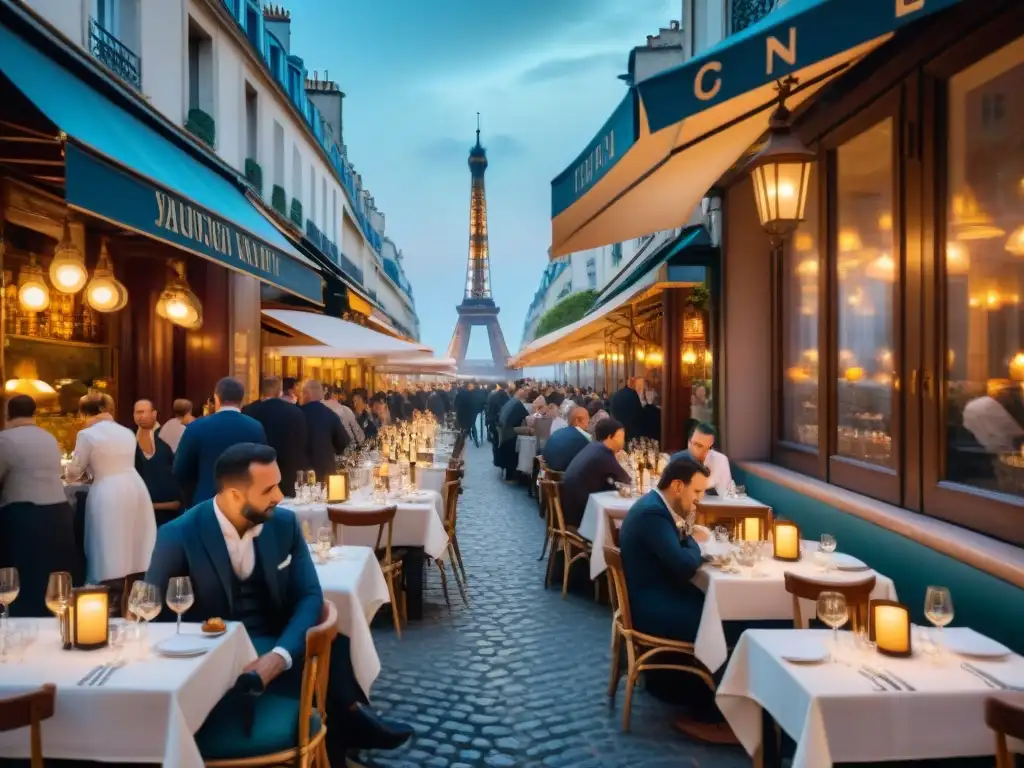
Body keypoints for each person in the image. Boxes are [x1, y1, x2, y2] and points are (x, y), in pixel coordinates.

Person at [145, 443, 414, 763]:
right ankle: (348, 726)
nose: (279, 495)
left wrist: (281, 654)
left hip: (275, 639)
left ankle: (343, 730)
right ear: (234, 496)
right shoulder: (178, 535)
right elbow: (154, 619)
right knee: (335, 654)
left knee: (334, 643)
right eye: (269, 488)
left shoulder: (284, 524)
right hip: (212, 658)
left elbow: (310, 596)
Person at [617, 455, 737, 744]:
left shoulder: (655, 507)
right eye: (696, 492)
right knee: (725, 623)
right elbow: (683, 566)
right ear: (677, 486)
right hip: (651, 608)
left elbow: (679, 554)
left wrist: (688, 543)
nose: (698, 500)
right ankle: (716, 717)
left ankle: (714, 703)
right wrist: (694, 542)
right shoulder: (653, 514)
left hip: (652, 596)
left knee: (719, 612)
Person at [0, 394, 81, 614]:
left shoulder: (6, 440)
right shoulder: (49, 438)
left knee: (26, 579)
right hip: (58, 514)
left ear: (8, 414)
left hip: (25, 516)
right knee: (53, 576)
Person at [69, 397, 156, 583]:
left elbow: (75, 470)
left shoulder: (87, 435)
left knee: (108, 543)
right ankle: (135, 591)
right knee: (135, 544)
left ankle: (107, 591)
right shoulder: (126, 432)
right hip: (135, 487)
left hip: (107, 490)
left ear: (84, 413)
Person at [174, 377, 267, 506]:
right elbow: (263, 466)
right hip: (244, 502)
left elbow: (180, 469)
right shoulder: (255, 427)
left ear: (216, 398)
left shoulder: (197, 427)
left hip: (206, 501)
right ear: (242, 399)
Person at [243, 377, 310, 496]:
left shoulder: (248, 411)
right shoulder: (294, 412)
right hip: (288, 473)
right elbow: (302, 442)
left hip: (257, 472)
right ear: (280, 391)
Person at [559, 418, 630, 528]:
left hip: (570, 507)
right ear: (610, 437)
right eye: (620, 437)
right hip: (582, 517)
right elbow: (626, 481)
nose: (623, 441)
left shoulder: (593, 447)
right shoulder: (604, 454)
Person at [133, 399, 182, 527]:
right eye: (138, 412)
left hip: (169, 508)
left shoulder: (167, 436)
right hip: (140, 509)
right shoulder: (130, 440)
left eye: (144, 412)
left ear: (154, 414)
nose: (141, 416)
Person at [299, 379, 349, 481]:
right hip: (327, 474)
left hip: (301, 475)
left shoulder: (297, 414)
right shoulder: (330, 414)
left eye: (302, 393)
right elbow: (343, 442)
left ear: (306, 394)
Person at [677, 423, 732, 494]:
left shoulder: (720, 460)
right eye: (698, 446)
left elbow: (726, 495)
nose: (703, 452)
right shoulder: (678, 460)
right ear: (689, 443)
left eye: (708, 448)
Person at [541, 406, 591, 472]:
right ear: (578, 420)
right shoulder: (584, 438)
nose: (589, 423)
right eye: (588, 420)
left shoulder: (558, 432)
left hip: (548, 474)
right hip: (566, 477)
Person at [495, 388, 529, 480]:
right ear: (523, 397)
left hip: (503, 430)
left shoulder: (511, 402)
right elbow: (527, 416)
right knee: (529, 432)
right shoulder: (517, 404)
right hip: (509, 433)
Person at [610, 376, 644, 442]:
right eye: (640, 386)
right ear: (634, 385)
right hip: (630, 430)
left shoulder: (618, 393)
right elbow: (639, 412)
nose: (640, 388)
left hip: (617, 427)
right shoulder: (633, 394)